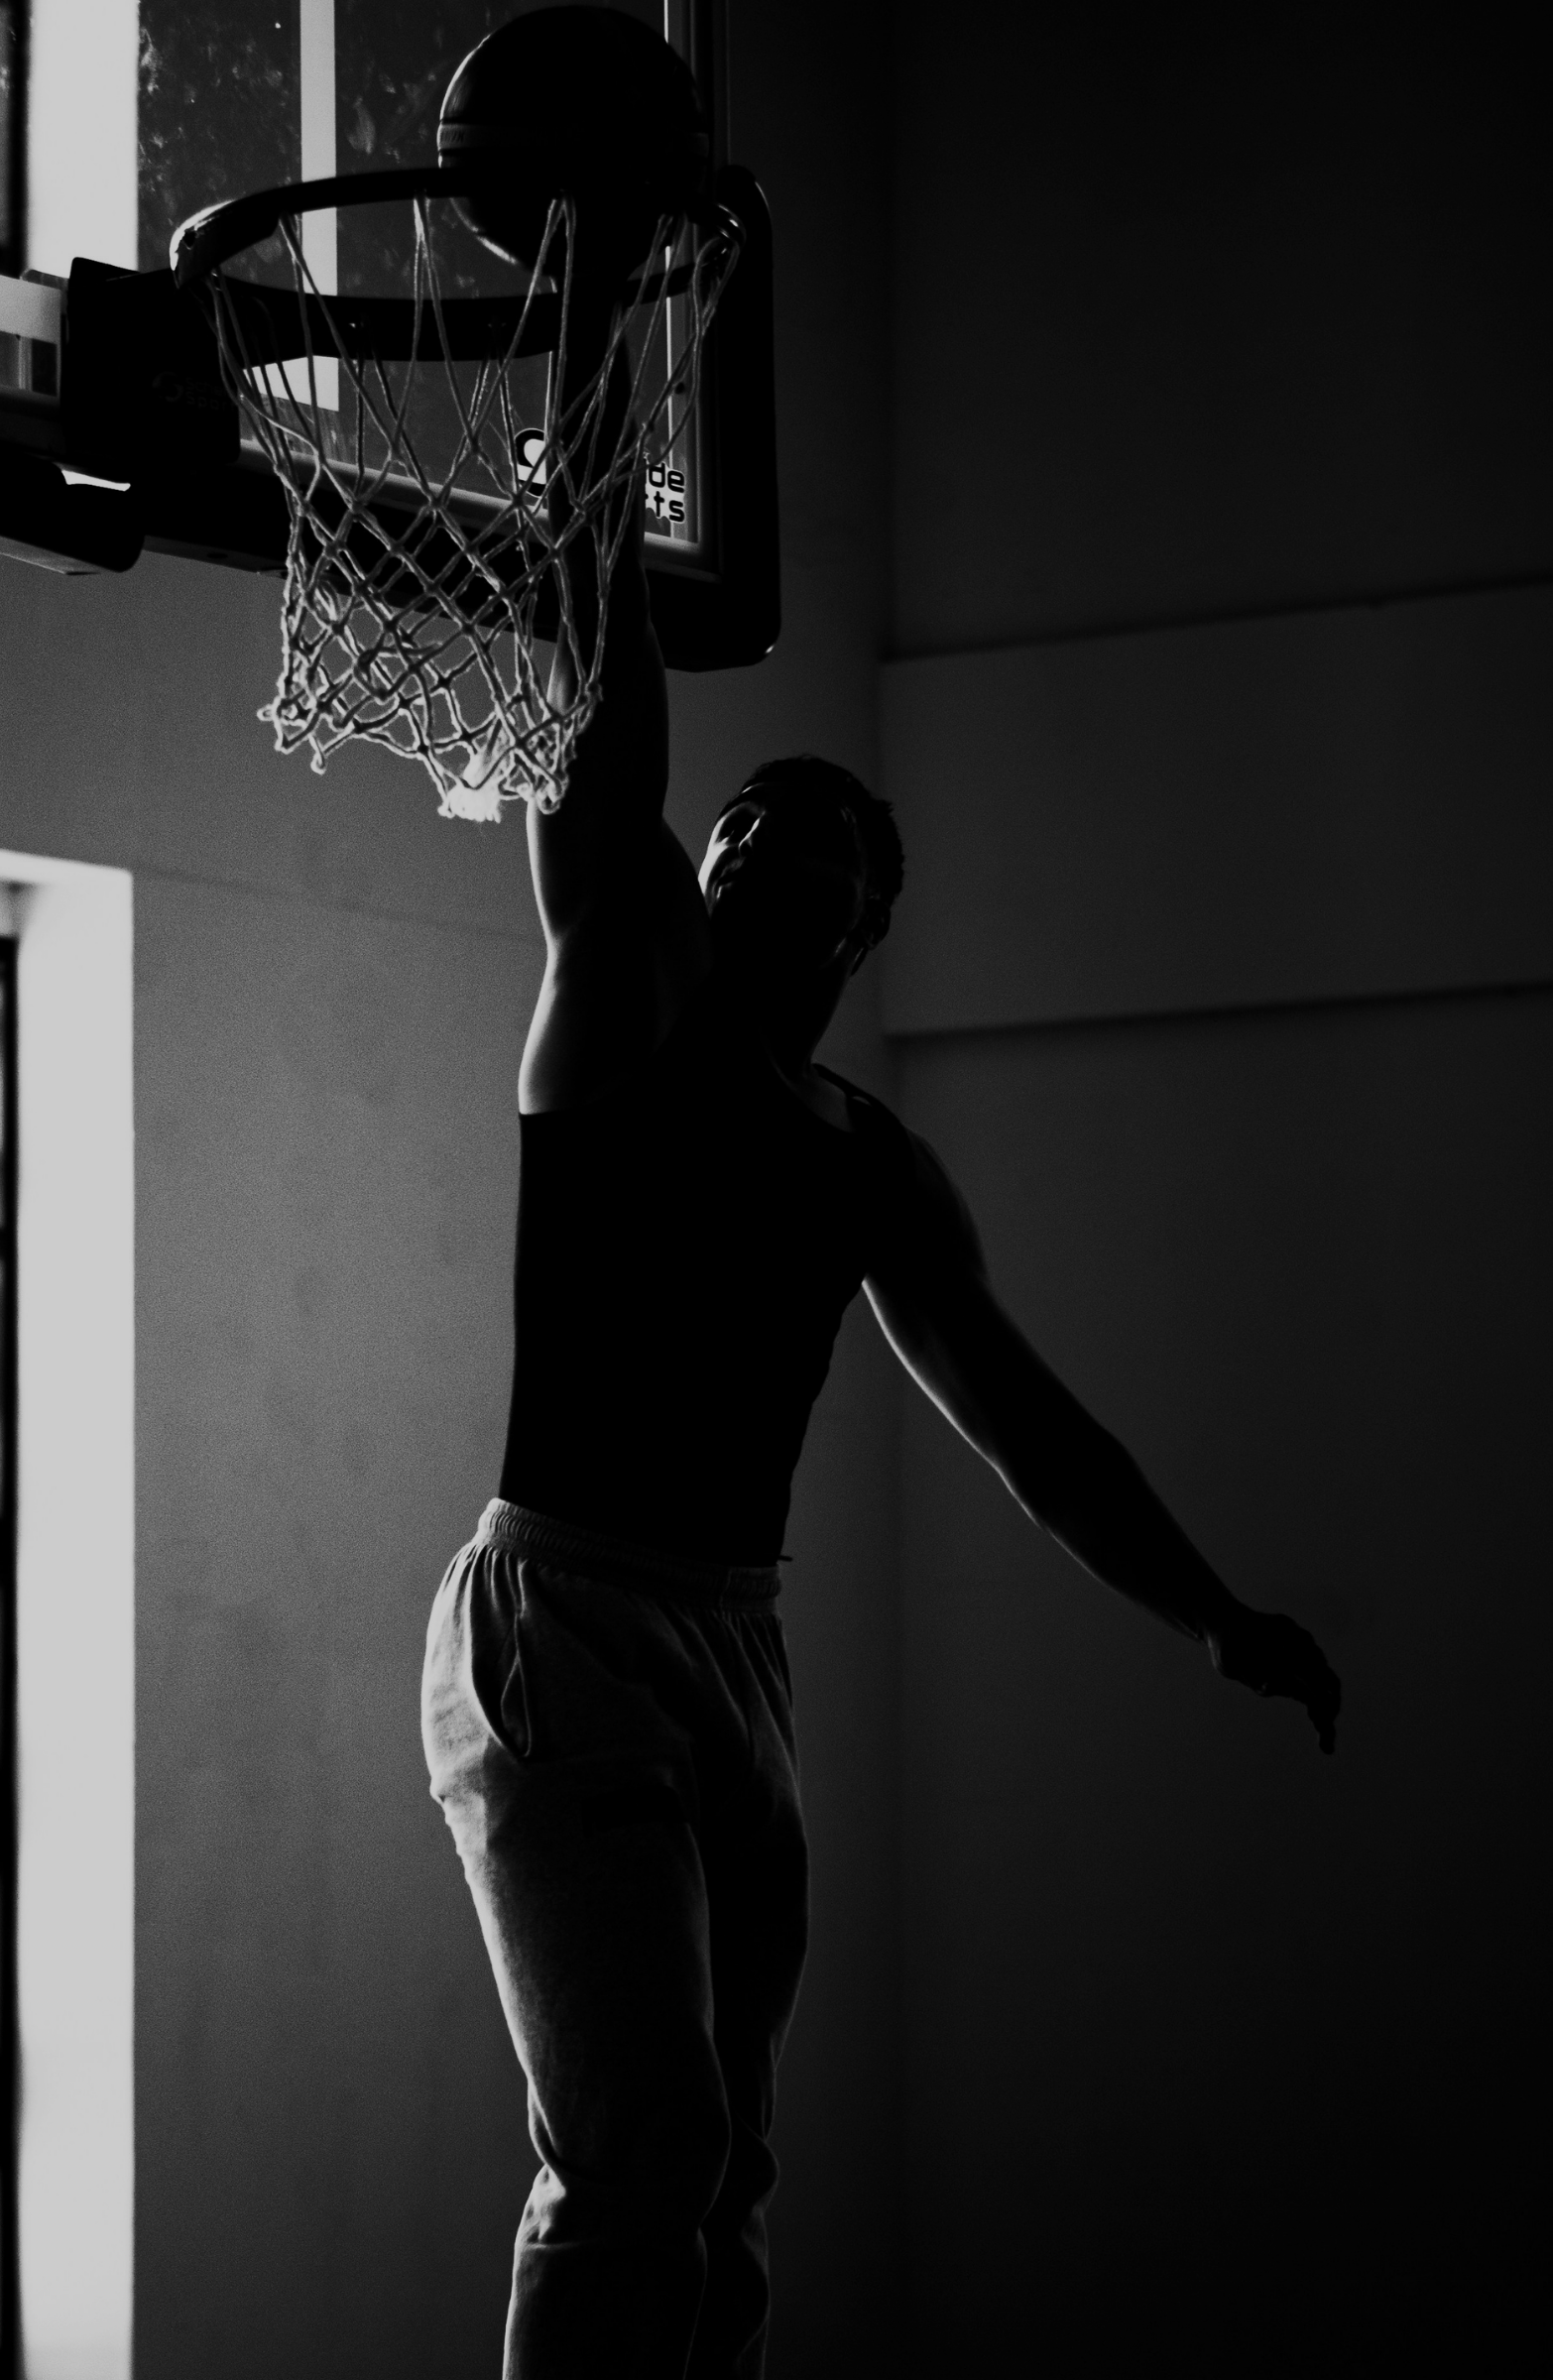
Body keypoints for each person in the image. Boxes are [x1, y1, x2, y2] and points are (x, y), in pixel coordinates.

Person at [419, 520, 1341, 2380]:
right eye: (739, 827)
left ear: (863, 924)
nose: (756, 846)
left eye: (808, 842)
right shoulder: (621, 998)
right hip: (563, 1613)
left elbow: (1032, 1427)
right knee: (637, 2148)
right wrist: (593, 469)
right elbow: (607, 761)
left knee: (730, 2164)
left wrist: (1213, 1613)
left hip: (734, 1643)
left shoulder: (870, 1167)